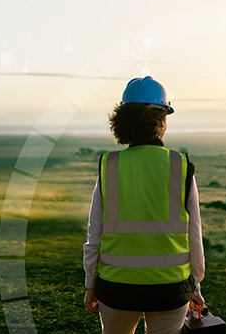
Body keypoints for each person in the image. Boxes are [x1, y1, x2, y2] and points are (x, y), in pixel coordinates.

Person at [83, 76, 205, 334]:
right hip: (170, 290)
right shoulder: (180, 166)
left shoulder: (110, 166)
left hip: (117, 289)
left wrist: (90, 285)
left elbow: (94, 236)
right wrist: (195, 288)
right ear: (160, 121)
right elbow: (194, 237)